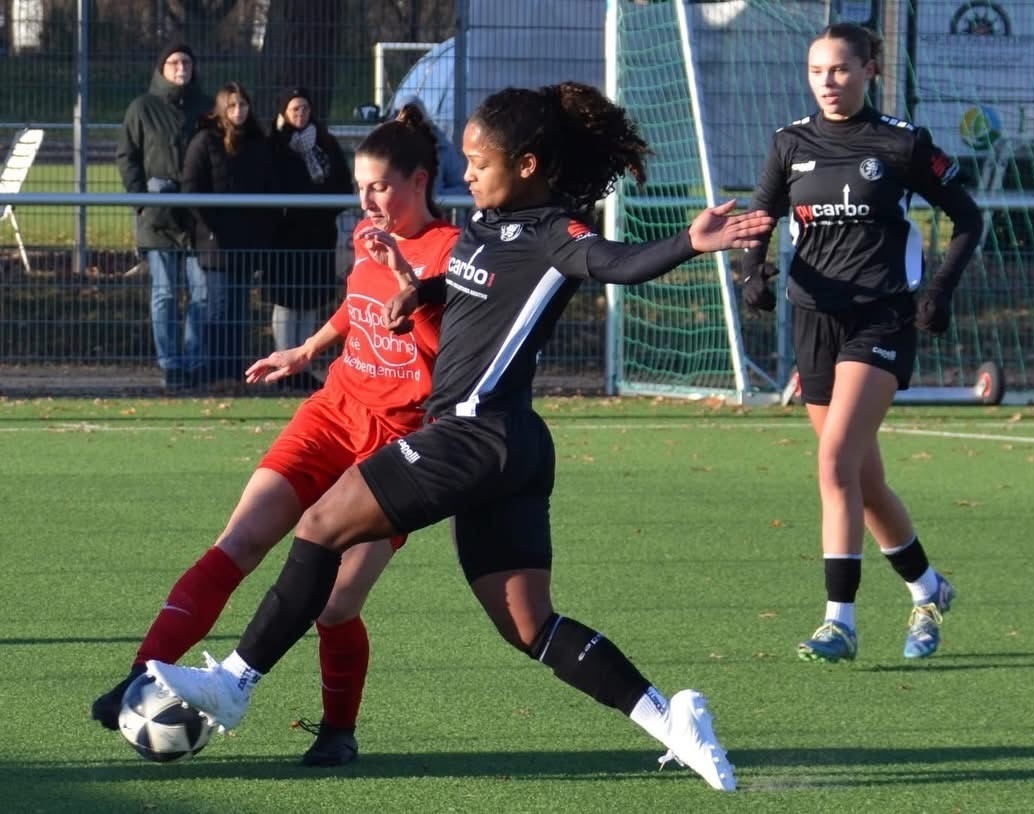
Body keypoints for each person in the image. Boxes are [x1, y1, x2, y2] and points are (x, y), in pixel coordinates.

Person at [146, 81, 774, 792]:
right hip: (510, 448)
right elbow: (472, 282)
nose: (466, 174)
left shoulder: (555, 233)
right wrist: (422, 291)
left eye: (480, 163)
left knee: (320, 524)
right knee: (528, 625)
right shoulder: (486, 223)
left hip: (477, 433)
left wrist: (691, 241)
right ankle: (670, 720)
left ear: (527, 166)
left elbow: (616, 263)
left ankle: (234, 683)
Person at [91, 105, 460, 767]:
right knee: (238, 542)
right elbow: (358, 304)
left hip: (395, 442)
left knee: (337, 603)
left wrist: (412, 288)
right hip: (332, 413)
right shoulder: (368, 238)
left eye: (380, 186)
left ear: (419, 181)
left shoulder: (451, 253)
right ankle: (141, 675)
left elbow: (449, 343)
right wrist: (308, 349)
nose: (367, 201)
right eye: (360, 187)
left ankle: (338, 731)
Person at [739, 23, 983, 663]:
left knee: (834, 462)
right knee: (863, 480)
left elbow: (968, 217)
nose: (828, 82)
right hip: (814, 320)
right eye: (817, 70)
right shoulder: (789, 143)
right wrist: (751, 273)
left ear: (870, 70)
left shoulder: (901, 143)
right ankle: (927, 588)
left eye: (841, 69)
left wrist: (939, 291)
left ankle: (838, 622)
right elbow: (760, 220)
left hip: (881, 318)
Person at [116, 41, 213, 391]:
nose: (181, 68)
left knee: (202, 293)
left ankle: (195, 361)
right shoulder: (142, 108)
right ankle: (171, 363)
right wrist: (142, 200)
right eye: (174, 62)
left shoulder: (206, 108)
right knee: (165, 293)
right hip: (158, 215)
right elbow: (127, 156)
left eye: (186, 62)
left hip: (197, 216)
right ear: (162, 68)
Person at [182, 82, 275, 384]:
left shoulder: (257, 142)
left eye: (243, 105)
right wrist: (211, 226)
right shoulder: (205, 141)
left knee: (239, 310)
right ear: (222, 109)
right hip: (216, 243)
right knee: (218, 308)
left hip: (247, 242)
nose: (238, 111)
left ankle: (235, 372)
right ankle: (214, 370)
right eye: (232, 105)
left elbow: (266, 188)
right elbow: (191, 188)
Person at [268, 86, 354, 391]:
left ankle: (302, 364)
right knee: (286, 300)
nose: (301, 114)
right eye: (295, 109)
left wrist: (323, 206)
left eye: (305, 108)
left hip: (320, 233)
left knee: (310, 299)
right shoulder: (276, 145)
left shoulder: (325, 143)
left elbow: (343, 184)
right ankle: (283, 364)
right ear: (284, 112)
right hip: (287, 236)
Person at [391, 93, 468, 197]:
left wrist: (435, 197)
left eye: (415, 117)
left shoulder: (443, 147)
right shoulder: (387, 149)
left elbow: (461, 188)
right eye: (406, 117)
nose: (410, 122)